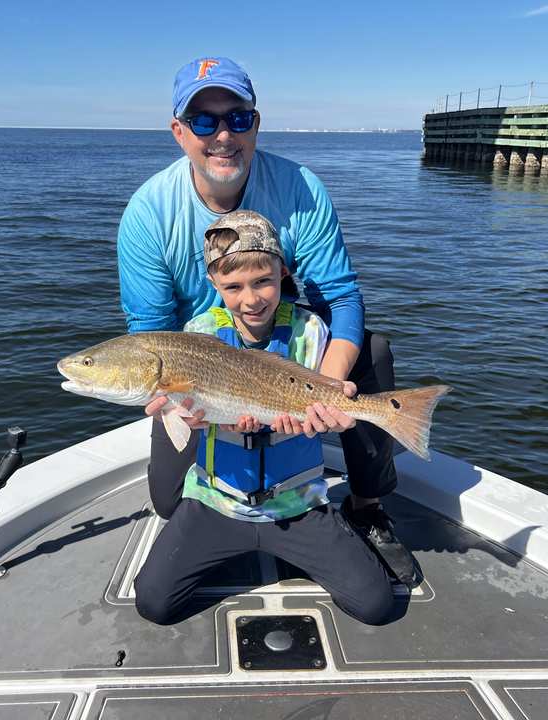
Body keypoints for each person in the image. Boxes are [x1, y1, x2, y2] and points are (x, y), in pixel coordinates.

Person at [117, 56, 415, 584]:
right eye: (205, 121)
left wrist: (328, 388)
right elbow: (151, 337)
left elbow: (340, 299)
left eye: (238, 117)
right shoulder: (148, 214)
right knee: (166, 502)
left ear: (256, 122)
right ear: (179, 131)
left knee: (375, 351)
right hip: (200, 365)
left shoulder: (300, 187)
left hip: (289, 351)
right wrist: (198, 406)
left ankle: (365, 507)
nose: (223, 135)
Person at [133, 211, 394, 625]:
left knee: (377, 606)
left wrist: (344, 416)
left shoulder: (310, 331)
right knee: (152, 603)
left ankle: (346, 519)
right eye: (233, 287)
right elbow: (183, 419)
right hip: (217, 502)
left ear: (283, 273)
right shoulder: (197, 332)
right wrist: (179, 413)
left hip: (299, 504)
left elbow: (325, 399)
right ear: (213, 284)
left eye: (263, 282)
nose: (251, 299)